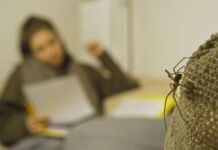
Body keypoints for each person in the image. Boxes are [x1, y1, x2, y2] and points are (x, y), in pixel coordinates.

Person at [0, 16, 139, 147]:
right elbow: (4, 124)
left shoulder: (82, 71)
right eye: (41, 49)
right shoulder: (21, 76)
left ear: (60, 40)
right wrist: (25, 124)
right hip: (48, 141)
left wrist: (103, 56)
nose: (51, 51)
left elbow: (125, 85)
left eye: (52, 42)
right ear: (30, 55)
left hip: (91, 137)